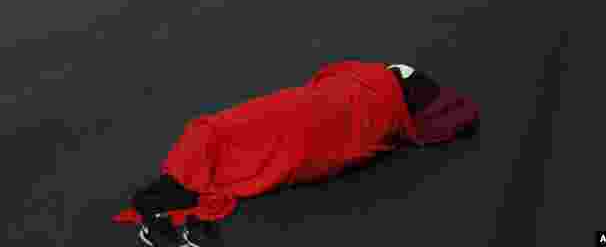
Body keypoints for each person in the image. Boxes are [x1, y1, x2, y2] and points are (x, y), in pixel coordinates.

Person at [113, 61, 480, 247]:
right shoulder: (380, 78)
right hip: (341, 101)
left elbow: (454, 115)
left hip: (355, 103)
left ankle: (164, 209)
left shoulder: (398, 86)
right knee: (253, 127)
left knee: (258, 130)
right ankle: (165, 209)